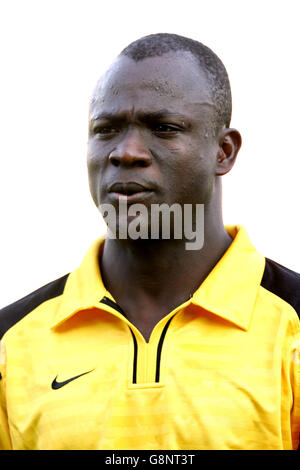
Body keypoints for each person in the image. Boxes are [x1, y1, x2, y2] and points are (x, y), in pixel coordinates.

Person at [0, 33, 299, 451]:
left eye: (163, 127)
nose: (126, 152)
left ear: (224, 152)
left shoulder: (292, 327)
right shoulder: (11, 342)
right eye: (106, 129)